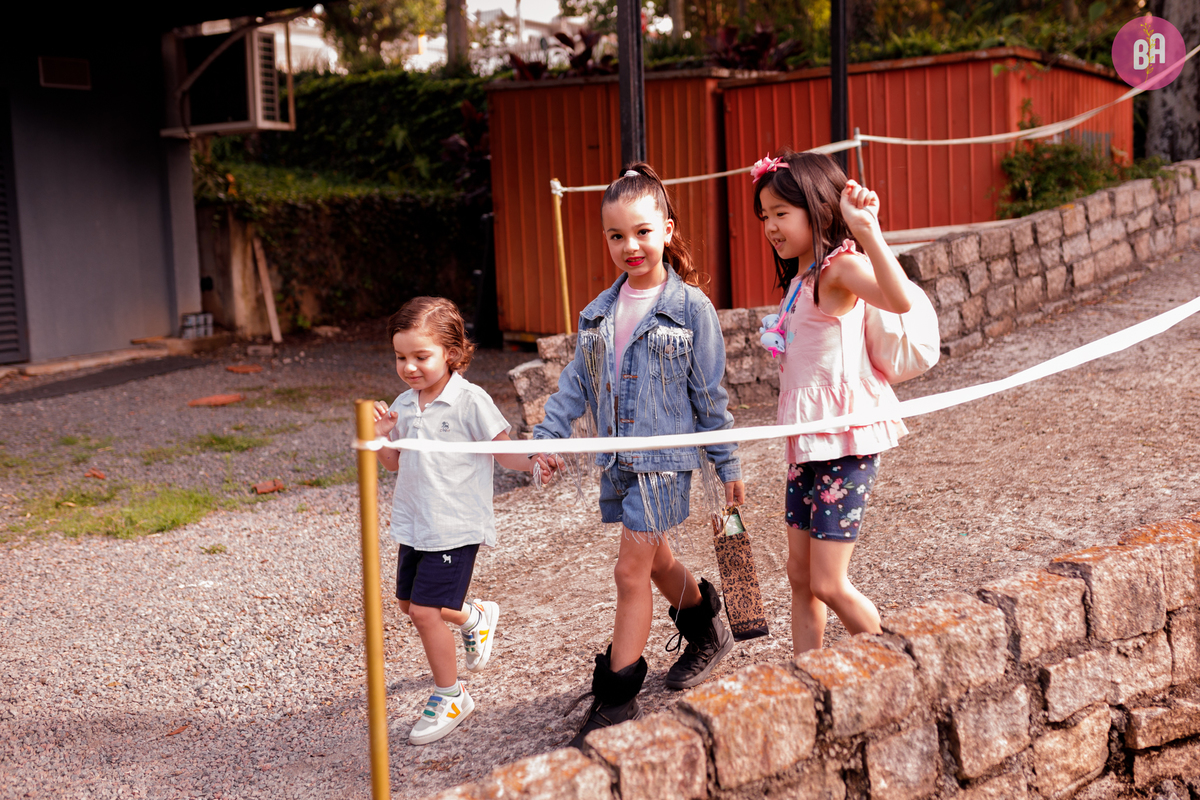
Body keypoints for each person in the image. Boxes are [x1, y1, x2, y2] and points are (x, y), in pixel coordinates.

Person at [533, 162, 745, 747]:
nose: (631, 246)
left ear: (668, 230)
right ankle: (707, 630)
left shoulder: (691, 307)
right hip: (618, 463)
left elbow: (708, 395)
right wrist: (547, 439)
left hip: (663, 464)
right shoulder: (597, 312)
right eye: (616, 235)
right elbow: (575, 384)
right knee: (654, 564)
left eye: (643, 231)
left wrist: (727, 465)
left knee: (629, 571)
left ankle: (616, 699)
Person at [750, 150, 911, 656]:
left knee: (828, 582)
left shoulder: (837, 271)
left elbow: (899, 298)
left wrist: (868, 232)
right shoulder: (800, 280)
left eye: (782, 213)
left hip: (846, 440)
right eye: (765, 216)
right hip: (807, 444)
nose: (772, 227)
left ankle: (898, 664)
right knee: (800, 575)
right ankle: (809, 678)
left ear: (816, 208)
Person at [372, 296, 532, 745]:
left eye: (421, 356)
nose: (409, 367)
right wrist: (383, 438)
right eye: (401, 357)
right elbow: (392, 464)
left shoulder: (470, 400)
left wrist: (537, 457)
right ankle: (473, 618)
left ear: (452, 352)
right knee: (409, 605)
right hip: (416, 524)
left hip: (455, 526)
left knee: (424, 612)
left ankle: (452, 694)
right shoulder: (404, 403)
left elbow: (503, 450)